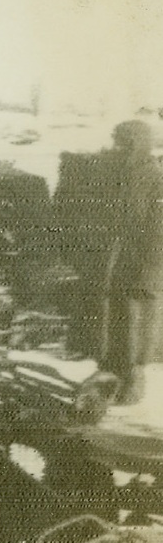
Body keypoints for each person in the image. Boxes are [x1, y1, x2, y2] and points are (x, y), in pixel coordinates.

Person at [89, 120, 163, 404]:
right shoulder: (119, 174)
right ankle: (110, 375)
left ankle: (133, 382)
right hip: (118, 263)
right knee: (114, 322)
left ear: (137, 144)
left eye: (122, 141)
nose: (115, 146)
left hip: (143, 266)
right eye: (115, 140)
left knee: (138, 325)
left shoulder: (155, 177)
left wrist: (150, 270)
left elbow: (159, 229)